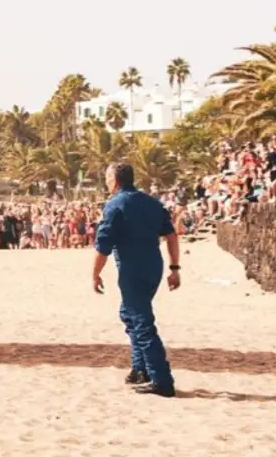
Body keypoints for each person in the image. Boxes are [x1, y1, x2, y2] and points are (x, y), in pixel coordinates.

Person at [92, 163, 181, 397]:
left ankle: (161, 379)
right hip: (154, 265)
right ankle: (140, 368)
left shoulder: (115, 205)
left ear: (115, 181)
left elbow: (103, 245)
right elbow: (171, 235)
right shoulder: (152, 203)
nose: (107, 183)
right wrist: (174, 268)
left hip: (132, 268)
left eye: (107, 179)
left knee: (142, 322)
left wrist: (95, 273)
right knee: (129, 314)